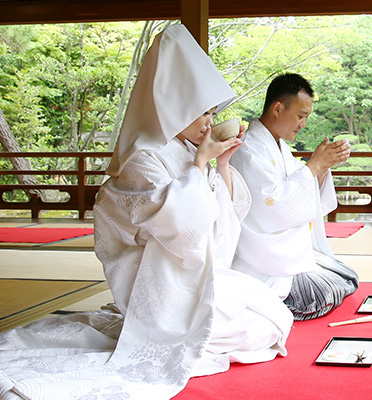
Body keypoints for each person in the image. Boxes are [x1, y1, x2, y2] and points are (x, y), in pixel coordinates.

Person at [0, 24, 292, 400]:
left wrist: (218, 167)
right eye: (201, 112)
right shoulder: (144, 159)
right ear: (174, 108)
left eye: (211, 112)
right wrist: (201, 164)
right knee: (251, 328)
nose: (209, 121)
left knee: (272, 316)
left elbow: (222, 223)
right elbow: (183, 232)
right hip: (162, 286)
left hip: (194, 277)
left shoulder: (186, 150)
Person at [229, 73, 359, 321]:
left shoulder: (277, 146)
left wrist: (322, 166)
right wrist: (314, 165)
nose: (303, 124)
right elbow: (273, 206)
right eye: (301, 116)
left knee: (347, 276)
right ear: (278, 108)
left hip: (285, 253)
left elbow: (305, 190)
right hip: (262, 262)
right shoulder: (248, 149)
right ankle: (271, 305)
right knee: (328, 291)